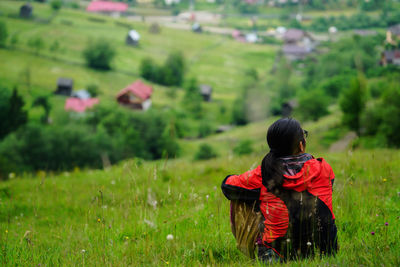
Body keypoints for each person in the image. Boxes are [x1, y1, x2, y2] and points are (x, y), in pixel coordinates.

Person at [221, 118, 338, 263]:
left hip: (277, 256)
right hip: (325, 252)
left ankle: (254, 248)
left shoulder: (263, 174)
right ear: (301, 145)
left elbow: (227, 186)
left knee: (241, 196)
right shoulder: (323, 168)